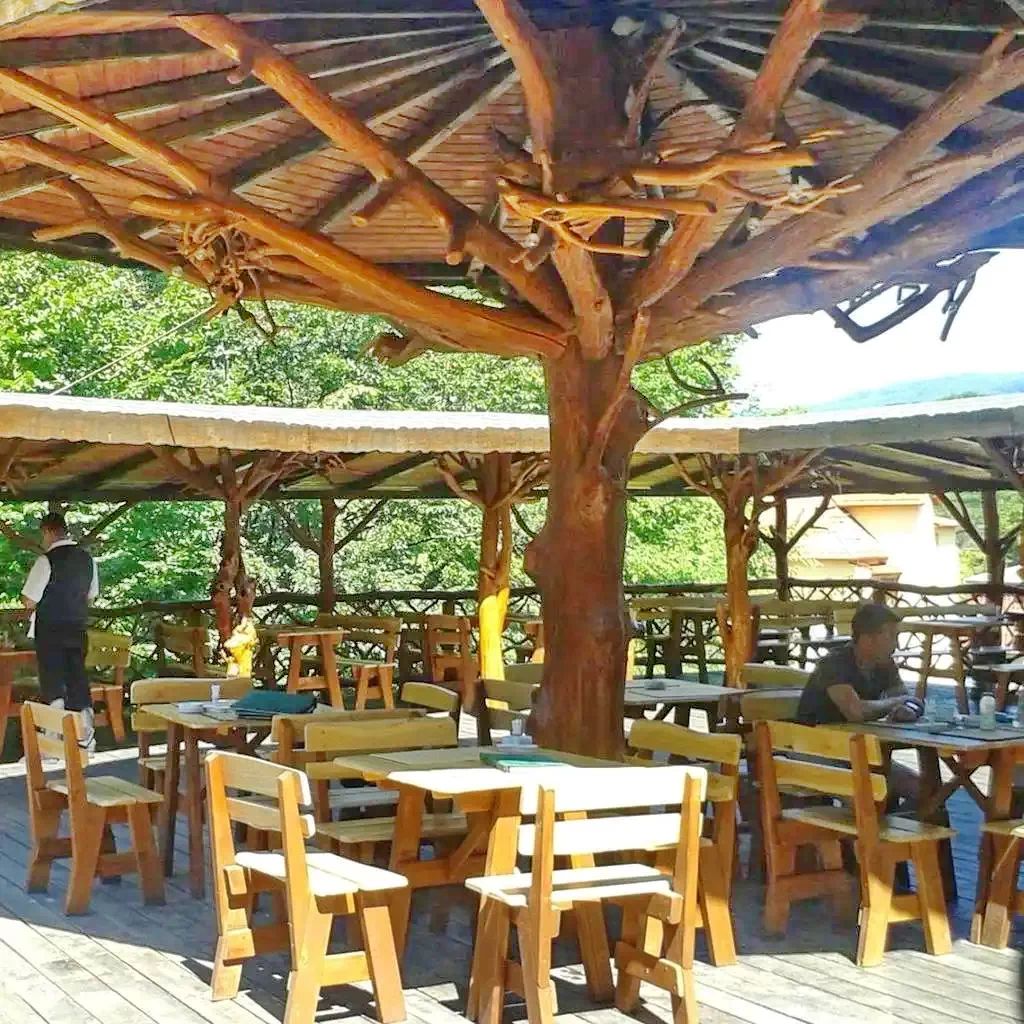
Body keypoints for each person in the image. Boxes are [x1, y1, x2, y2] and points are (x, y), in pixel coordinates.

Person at [797, 601, 922, 803]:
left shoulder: (885, 664)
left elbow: (907, 699)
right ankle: (874, 822)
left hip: (857, 751)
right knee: (870, 797)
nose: (896, 645)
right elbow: (855, 711)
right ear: (867, 639)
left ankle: (892, 822)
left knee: (926, 790)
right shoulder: (834, 664)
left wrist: (908, 709)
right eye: (891, 636)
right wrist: (897, 702)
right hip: (816, 751)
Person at [20, 512, 99, 751]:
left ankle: (53, 742)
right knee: (77, 679)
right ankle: (86, 738)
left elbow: (29, 600)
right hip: (77, 628)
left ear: (47, 532)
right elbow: (91, 596)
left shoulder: (46, 561)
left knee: (53, 681)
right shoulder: (87, 560)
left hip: (50, 630)